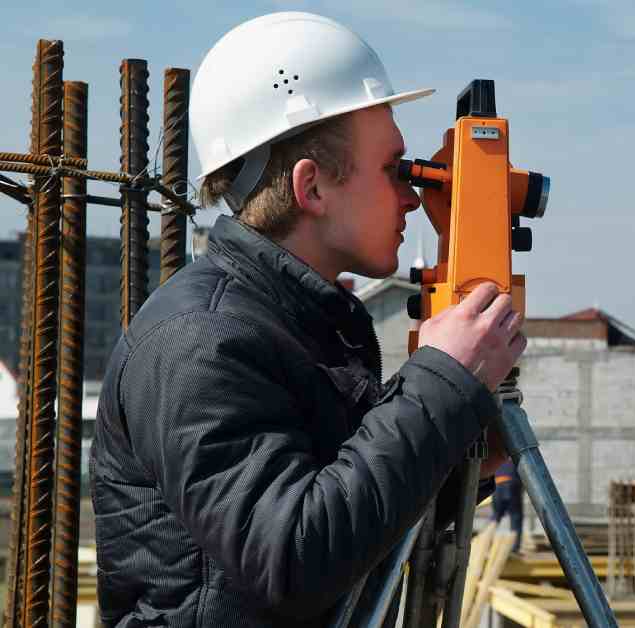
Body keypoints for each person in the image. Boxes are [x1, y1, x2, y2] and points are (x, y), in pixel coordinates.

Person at [89, 12, 524, 627]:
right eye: (393, 169)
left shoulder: (301, 324)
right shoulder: (201, 338)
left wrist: (466, 413)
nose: (412, 194)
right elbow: (291, 559)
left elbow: (359, 517)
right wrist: (440, 381)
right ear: (312, 187)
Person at [491, 460, 525, 550]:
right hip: (511, 484)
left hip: (497, 485)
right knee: (515, 516)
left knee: (495, 517)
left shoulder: (499, 461)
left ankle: (486, 541)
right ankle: (515, 546)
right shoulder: (517, 460)